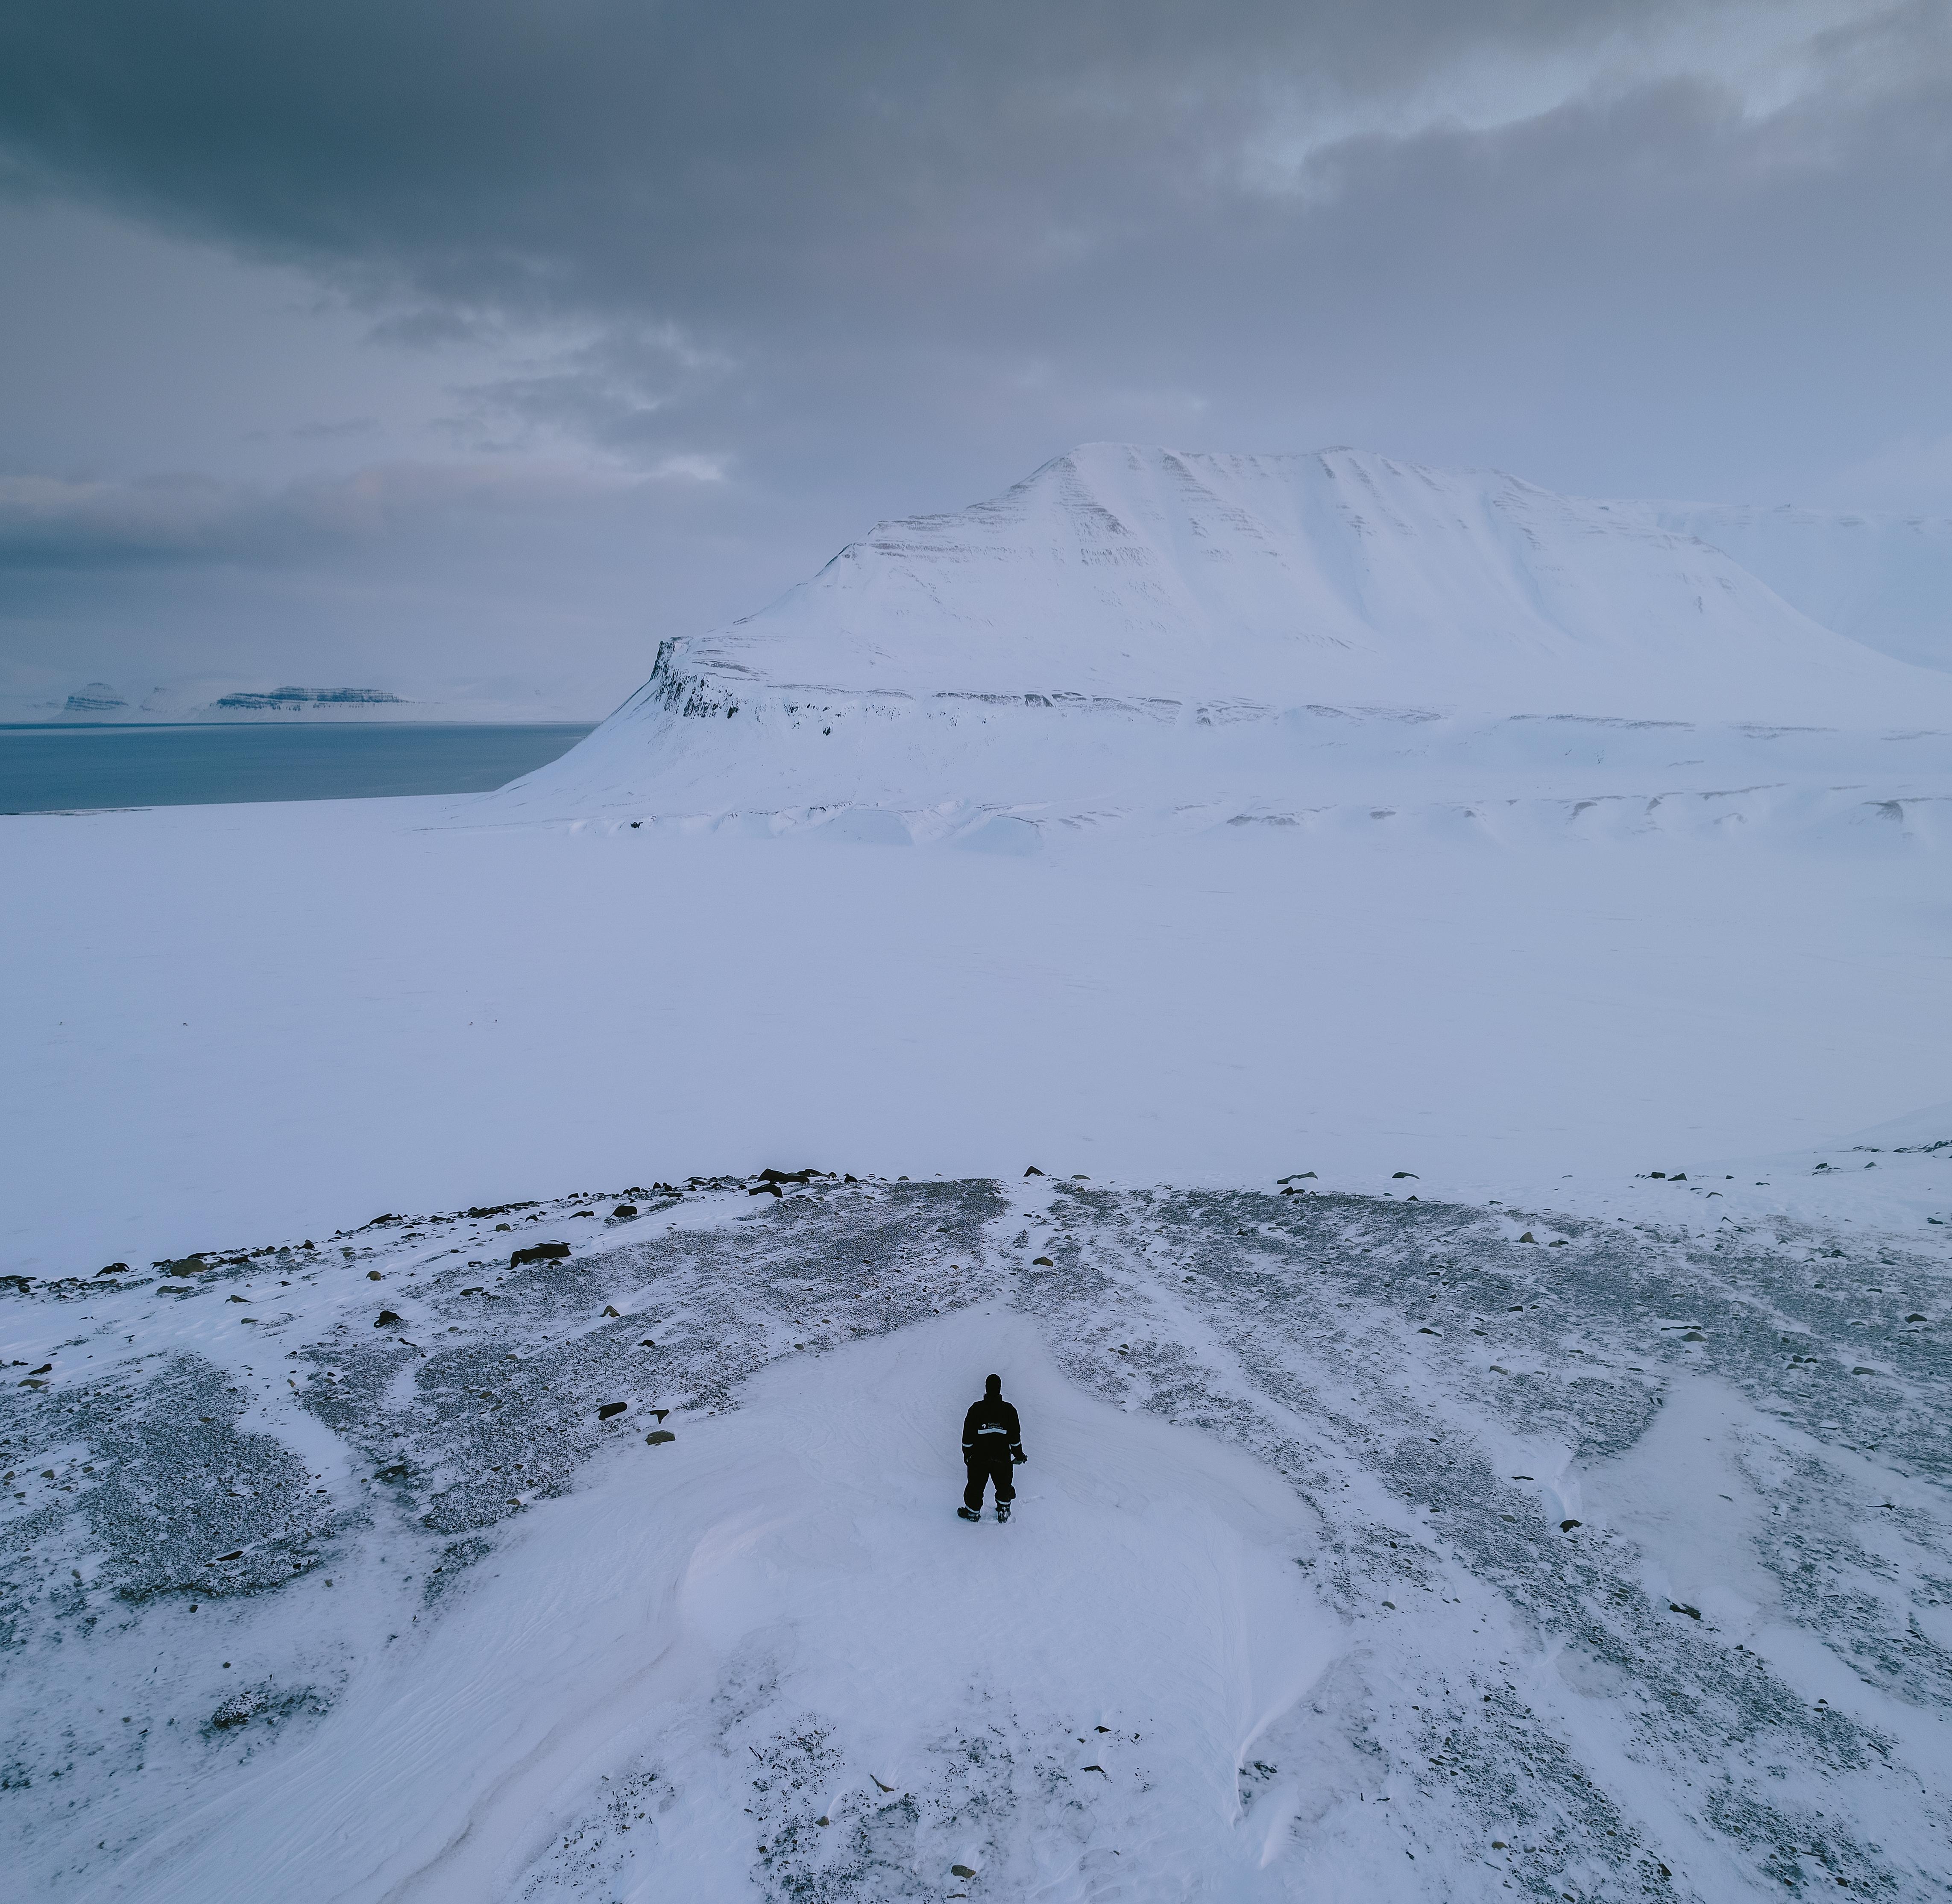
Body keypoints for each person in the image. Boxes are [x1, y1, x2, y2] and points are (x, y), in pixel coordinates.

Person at [958, 1373, 1026, 1522]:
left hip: (979, 1458)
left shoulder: (976, 1409)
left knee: (976, 1486)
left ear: (986, 1388)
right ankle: (1003, 1511)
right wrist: (1019, 1455)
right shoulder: (1009, 1411)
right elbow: (1015, 1438)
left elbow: (968, 1435)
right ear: (1000, 1388)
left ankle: (972, 1512)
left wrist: (967, 1453)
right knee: (1004, 1485)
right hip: (1002, 1458)